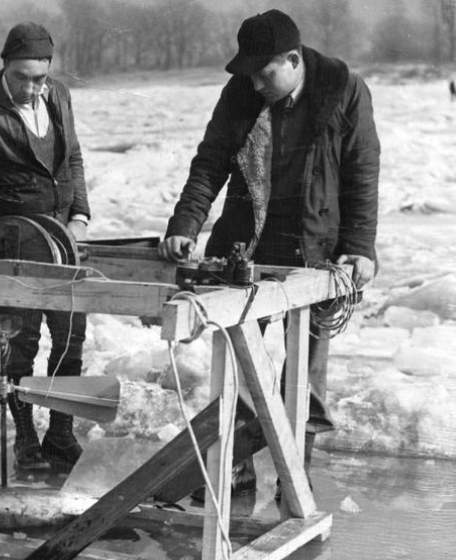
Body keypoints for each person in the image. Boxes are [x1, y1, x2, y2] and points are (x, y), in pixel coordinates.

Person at [158, 8, 380, 483]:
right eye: (249, 74)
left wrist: (360, 246)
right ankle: (234, 469)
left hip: (319, 248)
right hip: (247, 242)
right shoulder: (240, 92)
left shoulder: (344, 88)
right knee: (241, 359)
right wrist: (185, 223)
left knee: (305, 374)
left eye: (265, 73)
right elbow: (210, 163)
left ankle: (294, 472)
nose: (255, 83)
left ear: (294, 59)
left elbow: (362, 172)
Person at [0, 22, 91, 476]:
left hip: (63, 242)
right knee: (20, 342)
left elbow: (74, 157)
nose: (32, 87)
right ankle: (25, 436)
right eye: (23, 77)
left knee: (70, 338)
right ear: (5, 66)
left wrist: (79, 215)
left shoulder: (59, 96)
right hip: (14, 242)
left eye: (39, 77)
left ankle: (61, 433)